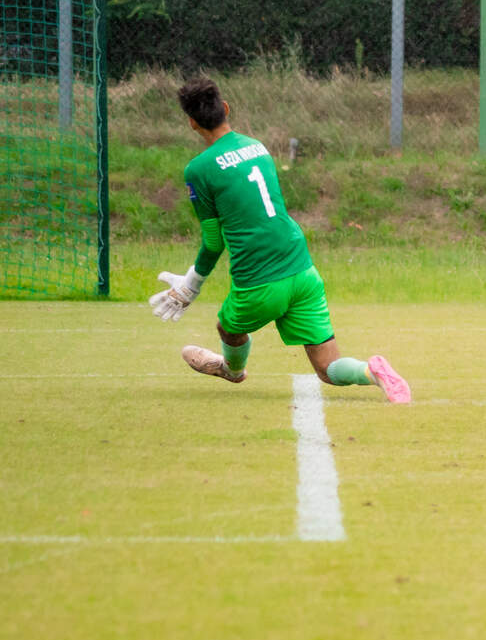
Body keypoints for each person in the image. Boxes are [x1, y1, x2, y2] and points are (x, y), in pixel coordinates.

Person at [148, 76, 411, 403]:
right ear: (226, 108)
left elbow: (214, 242)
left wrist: (191, 285)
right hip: (302, 269)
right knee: (328, 368)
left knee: (227, 328)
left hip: (259, 279)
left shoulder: (198, 170)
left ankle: (233, 371)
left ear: (191, 122)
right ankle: (371, 371)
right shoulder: (257, 147)